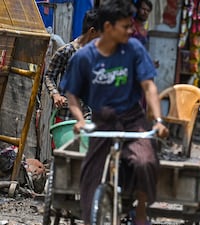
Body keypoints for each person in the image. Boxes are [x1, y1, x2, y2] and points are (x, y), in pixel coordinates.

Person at [60, 1, 168, 224]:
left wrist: (158, 120)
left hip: (132, 119)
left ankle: (140, 214)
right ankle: (92, 218)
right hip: (102, 122)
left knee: (145, 161)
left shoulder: (134, 49)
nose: (131, 31)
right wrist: (80, 120)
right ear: (108, 27)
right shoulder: (84, 57)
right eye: (126, 26)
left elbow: (149, 86)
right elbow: (71, 94)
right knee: (90, 174)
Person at [44, 9, 100, 120]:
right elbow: (49, 76)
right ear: (92, 32)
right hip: (66, 117)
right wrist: (55, 94)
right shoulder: (66, 51)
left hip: (89, 118)